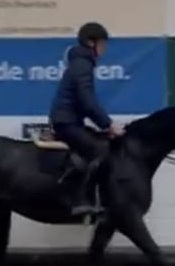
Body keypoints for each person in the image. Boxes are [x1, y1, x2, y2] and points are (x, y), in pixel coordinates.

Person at [49, 21, 124, 216]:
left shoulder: (81, 62)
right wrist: (108, 125)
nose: (104, 48)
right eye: (102, 43)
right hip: (66, 122)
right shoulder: (83, 64)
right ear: (91, 43)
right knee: (100, 150)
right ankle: (82, 199)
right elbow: (87, 100)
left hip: (70, 121)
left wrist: (103, 127)